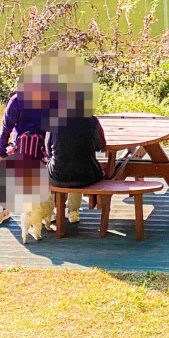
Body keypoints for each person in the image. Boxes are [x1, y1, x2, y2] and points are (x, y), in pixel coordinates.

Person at [0, 55, 58, 227]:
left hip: (44, 150)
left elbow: (58, 130)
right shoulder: (17, 101)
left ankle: (50, 206)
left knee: (56, 166)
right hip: (20, 147)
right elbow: (5, 129)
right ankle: (2, 207)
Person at [46, 70, 107, 223]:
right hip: (87, 177)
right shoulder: (91, 120)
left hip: (58, 176)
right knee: (81, 164)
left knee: (48, 168)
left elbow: (47, 149)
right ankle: (73, 211)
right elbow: (102, 146)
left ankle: (50, 210)